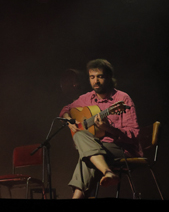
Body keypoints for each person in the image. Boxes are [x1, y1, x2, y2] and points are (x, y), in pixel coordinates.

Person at [59, 59, 142, 199]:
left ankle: (78, 196)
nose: (95, 81)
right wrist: (69, 120)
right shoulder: (87, 98)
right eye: (92, 77)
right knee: (80, 137)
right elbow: (65, 110)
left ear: (109, 78)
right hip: (98, 148)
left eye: (100, 77)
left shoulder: (122, 98)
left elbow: (134, 135)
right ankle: (108, 172)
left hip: (122, 148)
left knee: (86, 155)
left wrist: (108, 128)